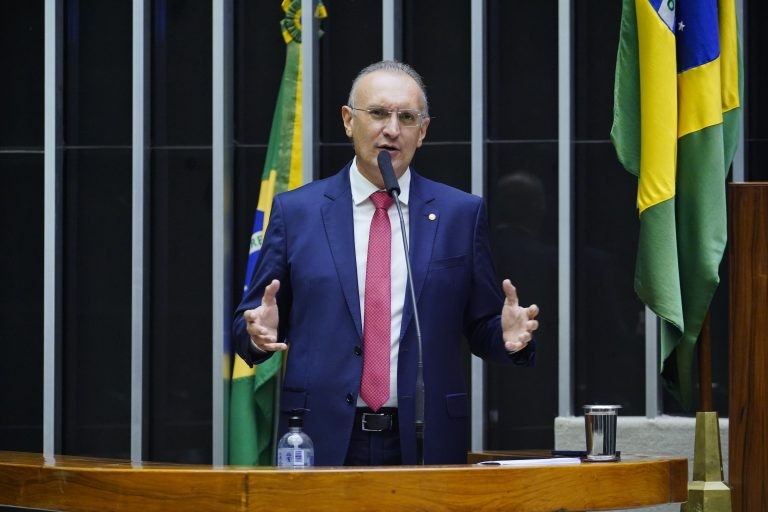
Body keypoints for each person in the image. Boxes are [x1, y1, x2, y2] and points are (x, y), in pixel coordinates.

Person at [232, 60, 539, 466]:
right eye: (377, 113)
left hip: (424, 437)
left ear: (423, 131)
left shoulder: (459, 214)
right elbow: (248, 324)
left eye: (407, 117)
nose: (392, 130)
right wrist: (257, 335)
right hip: (318, 435)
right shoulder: (298, 212)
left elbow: (481, 325)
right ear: (348, 121)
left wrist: (506, 337)